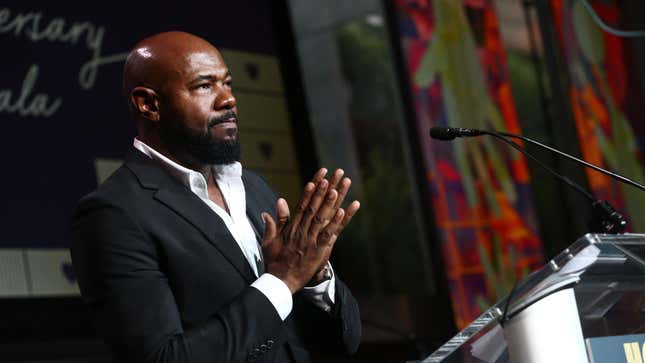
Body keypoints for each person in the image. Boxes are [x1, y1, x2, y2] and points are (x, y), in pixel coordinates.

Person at [70, 31, 362, 363]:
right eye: (204, 86)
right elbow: (163, 358)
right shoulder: (112, 214)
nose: (228, 100)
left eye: (228, 84)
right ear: (148, 104)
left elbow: (344, 341)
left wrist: (315, 276)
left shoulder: (253, 187)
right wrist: (283, 279)